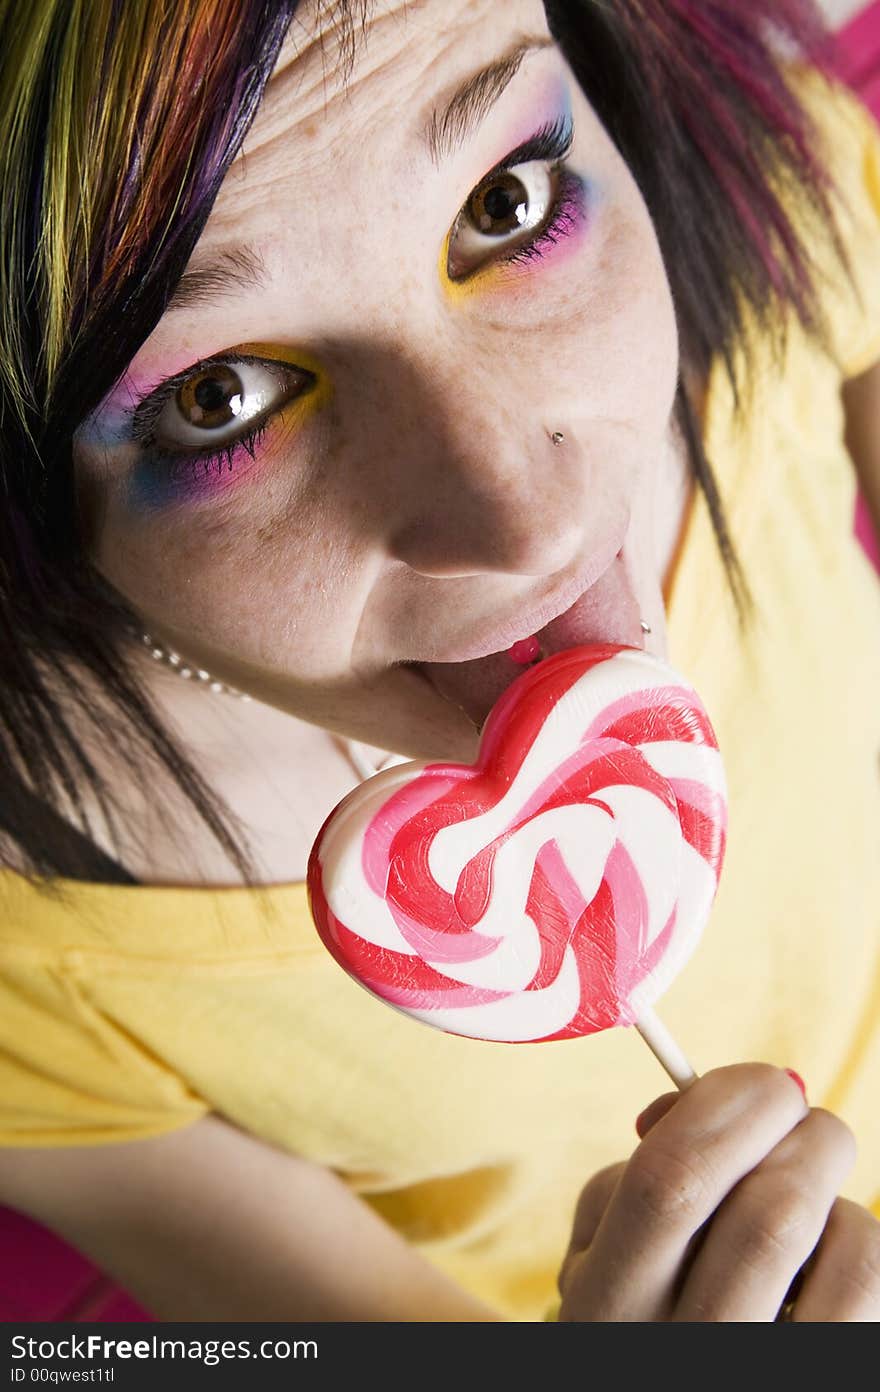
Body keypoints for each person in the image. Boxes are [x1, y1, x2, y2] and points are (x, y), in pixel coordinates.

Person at [0, 0, 878, 1323]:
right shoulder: (37, 977)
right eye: (216, 398)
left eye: (509, 204)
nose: (528, 525)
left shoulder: (775, 244)